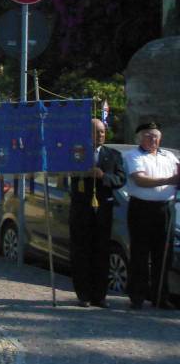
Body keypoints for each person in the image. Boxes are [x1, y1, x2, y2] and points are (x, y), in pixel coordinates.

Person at [68, 119, 125, 308]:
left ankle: (100, 296)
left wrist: (103, 176)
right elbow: (65, 172)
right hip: (81, 209)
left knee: (101, 252)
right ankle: (83, 294)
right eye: (96, 131)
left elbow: (120, 178)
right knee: (81, 251)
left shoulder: (113, 155)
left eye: (102, 131)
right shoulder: (77, 152)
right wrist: (83, 172)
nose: (100, 135)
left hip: (103, 210)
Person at [122, 122, 178, 310]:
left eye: (155, 136)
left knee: (163, 255)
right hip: (142, 208)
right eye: (148, 136)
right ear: (139, 138)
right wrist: (169, 180)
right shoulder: (132, 155)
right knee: (140, 253)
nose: (153, 139)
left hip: (165, 208)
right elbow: (140, 179)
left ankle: (160, 296)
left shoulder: (169, 156)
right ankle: (137, 295)